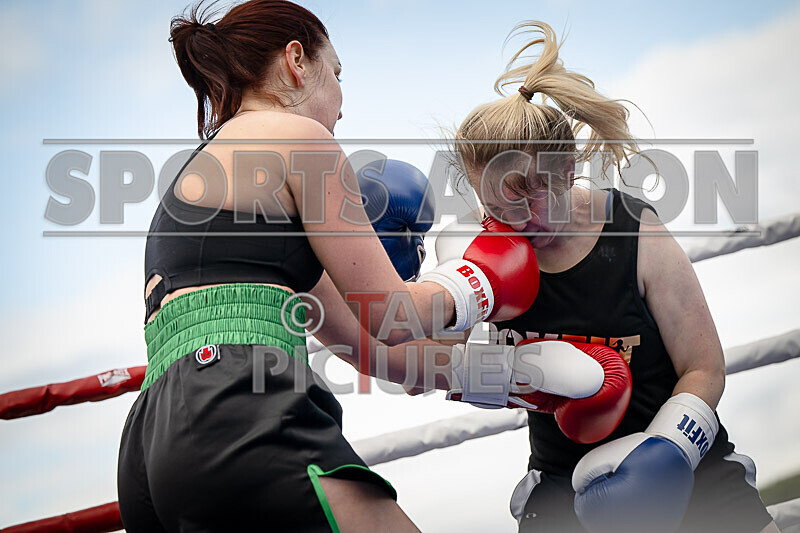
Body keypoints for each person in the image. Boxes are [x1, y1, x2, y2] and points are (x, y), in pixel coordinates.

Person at [116, 1, 541, 531]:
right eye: (336, 73)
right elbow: (397, 313)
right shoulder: (301, 139)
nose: (342, 105)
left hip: (152, 443)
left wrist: (519, 372)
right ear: (297, 60)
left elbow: (376, 347)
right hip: (234, 409)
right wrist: (480, 281)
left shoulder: (226, 187)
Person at [441, 20, 779, 533]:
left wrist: (669, 451)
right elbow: (438, 365)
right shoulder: (478, 253)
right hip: (561, 484)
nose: (515, 221)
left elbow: (704, 364)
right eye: (495, 206)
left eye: (531, 197)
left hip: (689, 466)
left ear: (568, 171)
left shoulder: (635, 231)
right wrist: (442, 293)